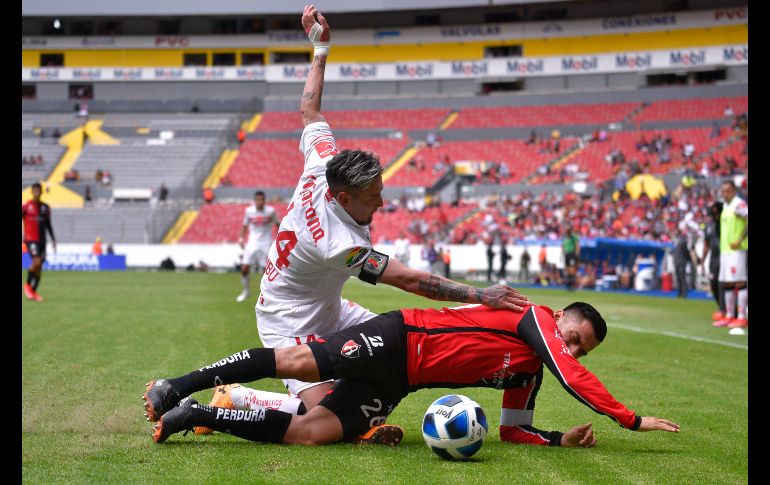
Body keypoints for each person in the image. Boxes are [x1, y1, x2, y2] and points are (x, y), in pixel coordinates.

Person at [143, 4, 529, 447]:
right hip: (289, 318)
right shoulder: (336, 241)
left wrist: (320, 49)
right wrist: (481, 295)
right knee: (322, 417)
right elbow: (408, 280)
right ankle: (236, 398)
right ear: (344, 198)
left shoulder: (324, 161)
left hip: (331, 306)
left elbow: (309, 110)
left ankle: (342, 418)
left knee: (388, 359)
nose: (382, 203)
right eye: (372, 198)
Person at [144, 301, 680, 447]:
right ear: (560, 317)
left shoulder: (533, 369)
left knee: (313, 432)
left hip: (401, 381)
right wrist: (629, 419)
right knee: (294, 360)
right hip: (399, 336)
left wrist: (560, 439)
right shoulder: (533, 320)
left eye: (580, 350)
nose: (572, 350)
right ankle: (178, 384)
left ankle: (202, 411)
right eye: (574, 337)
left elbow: (514, 429)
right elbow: (570, 375)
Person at [713, 181, 748, 328]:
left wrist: (740, 239)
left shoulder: (739, 204)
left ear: (734, 191)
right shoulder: (726, 206)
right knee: (727, 282)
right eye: (723, 191)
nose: (725, 194)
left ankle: (741, 316)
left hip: (737, 249)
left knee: (739, 281)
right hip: (725, 250)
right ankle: (729, 316)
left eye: (728, 191)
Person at [236, 191, 280, 303]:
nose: (260, 202)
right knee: (244, 268)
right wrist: (241, 239)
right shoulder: (249, 211)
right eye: (258, 200)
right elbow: (245, 226)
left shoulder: (271, 211)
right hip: (252, 243)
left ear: (264, 201)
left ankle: (269, 295)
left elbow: (277, 224)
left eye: (262, 200)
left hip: (266, 243)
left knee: (267, 272)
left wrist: (279, 239)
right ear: (255, 201)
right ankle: (246, 291)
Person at [22, 182, 57, 301]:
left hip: (42, 240)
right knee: (36, 262)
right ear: (31, 192)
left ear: (41, 192)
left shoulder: (45, 208)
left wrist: (53, 239)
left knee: (40, 266)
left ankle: (33, 292)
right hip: (30, 239)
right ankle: (27, 285)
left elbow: (48, 224)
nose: (37, 192)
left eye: (38, 190)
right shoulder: (26, 207)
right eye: (34, 190)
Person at [700, 201, 726, 321]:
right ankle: (720, 307)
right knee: (713, 283)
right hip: (713, 258)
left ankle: (724, 309)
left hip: (724, 256)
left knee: (722, 283)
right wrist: (702, 260)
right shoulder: (708, 226)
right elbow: (706, 244)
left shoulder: (724, 223)